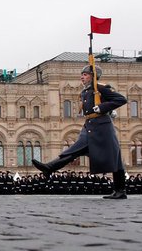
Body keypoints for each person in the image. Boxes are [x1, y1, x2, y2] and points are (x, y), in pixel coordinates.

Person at [32, 65, 128, 199]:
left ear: (93, 76)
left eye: (85, 74)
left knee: (115, 159)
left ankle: (120, 190)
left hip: (102, 128)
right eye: (82, 74)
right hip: (90, 126)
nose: (82, 77)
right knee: (74, 150)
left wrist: (103, 108)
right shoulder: (86, 91)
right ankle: (49, 167)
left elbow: (121, 99)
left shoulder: (101, 88)